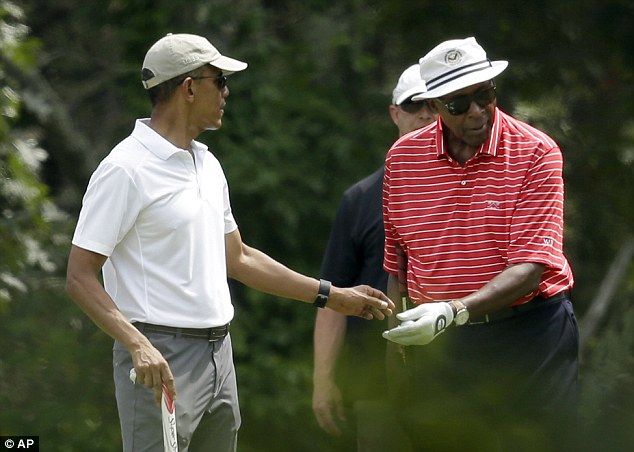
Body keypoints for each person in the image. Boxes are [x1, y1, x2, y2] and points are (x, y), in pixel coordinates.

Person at [65, 33, 394, 452]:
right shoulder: (125, 169)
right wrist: (137, 344)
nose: (226, 91)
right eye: (218, 81)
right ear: (188, 88)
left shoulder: (207, 162)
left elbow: (238, 258)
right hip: (160, 357)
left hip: (220, 353)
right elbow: (79, 277)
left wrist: (332, 296)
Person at [381, 37, 578, 451]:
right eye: (458, 103)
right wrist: (394, 353)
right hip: (442, 347)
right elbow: (398, 263)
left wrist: (454, 311)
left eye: (484, 95)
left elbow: (531, 268)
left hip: (529, 336)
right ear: (434, 107)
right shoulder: (402, 159)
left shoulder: (536, 152)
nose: (477, 111)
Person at [312, 64, 436, 452]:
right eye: (415, 106)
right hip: (377, 386)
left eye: (436, 105)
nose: (426, 116)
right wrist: (323, 379)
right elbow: (331, 296)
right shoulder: (360, 199)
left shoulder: (473, 187)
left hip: (455, 377)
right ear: (395, 113)